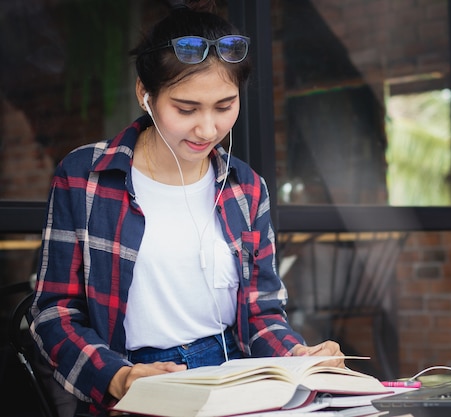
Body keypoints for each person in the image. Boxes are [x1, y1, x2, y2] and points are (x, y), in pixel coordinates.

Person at [29, 3, 344, 416]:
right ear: (146, 94)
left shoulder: (246, 188)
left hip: (237, 377)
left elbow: (262, 312)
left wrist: (299, 356)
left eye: (224, 105)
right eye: (186, 109)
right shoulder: (85, 177)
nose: (208, 129)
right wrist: (118, 378)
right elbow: (54, 314)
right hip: (136, 380)